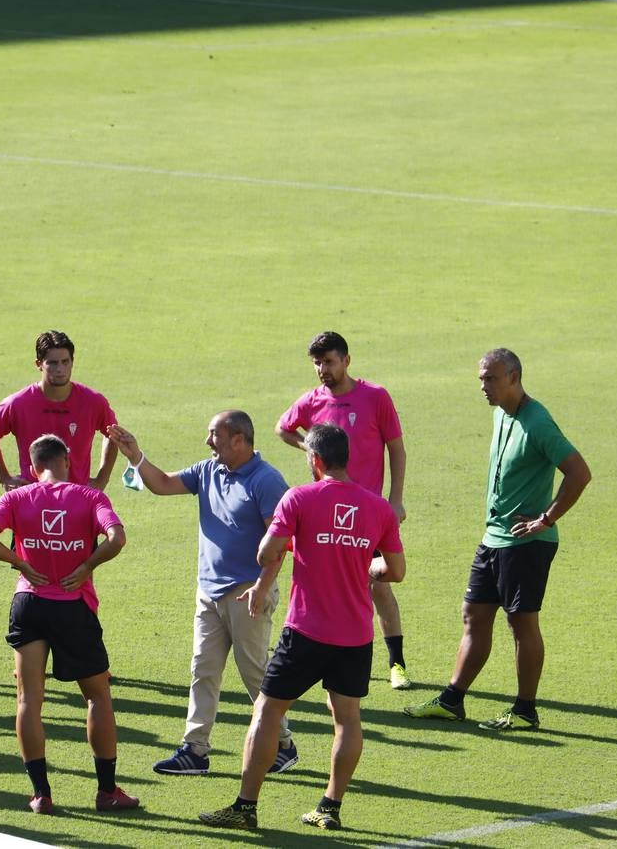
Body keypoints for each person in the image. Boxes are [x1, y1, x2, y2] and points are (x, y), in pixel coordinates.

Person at [199, 424, 404, 831]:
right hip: (355, 636)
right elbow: (394, 570)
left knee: (268, 710)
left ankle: (245, 808)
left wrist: (281, 547)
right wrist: (366, 564)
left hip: (306, 631)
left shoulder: (299, 498)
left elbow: (266, 553)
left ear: (315, 460)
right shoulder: (377, 507)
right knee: (347, 718)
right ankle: (330, 806)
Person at [403, 348, 590, 731]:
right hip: (494, 538)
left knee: (522, 624)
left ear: (514, 378)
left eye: (491, 378)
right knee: (474, 615)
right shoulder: (499, 414)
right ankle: (453, 700)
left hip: (525, 543)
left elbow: (578, 472)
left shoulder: (538, 422)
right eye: (481, 379)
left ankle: (525, 710)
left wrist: (546, 518)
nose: (483, 387)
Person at [105, 413, 299, 776]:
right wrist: (135, 456)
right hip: (209, 591)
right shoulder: (209, 470)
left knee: (254, 673)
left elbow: (282, 542)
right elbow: (162, 484)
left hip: (247, 592)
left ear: (240, 440)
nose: (208, 442)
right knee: (203, 668)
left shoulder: (267, 481)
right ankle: (195, 749)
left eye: (215, 436)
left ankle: (283, 744)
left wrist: (261, 586)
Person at [0, 434, 139, 815]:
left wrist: (20, 562)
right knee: (97, 696)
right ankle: (107, 792)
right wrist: (86, 566)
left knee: (29, 700)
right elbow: (117, 538)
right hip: (73, 607)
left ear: (33, 468)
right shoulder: (89, 497)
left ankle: (41, 795)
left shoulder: (17, 498)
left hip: (28, 602)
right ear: (68, 461)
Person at [276, 331, 412, 689]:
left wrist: (395, 499)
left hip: (369, 512)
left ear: (346, 361)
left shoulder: (375, 397)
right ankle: (336, 655)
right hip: (326, 507)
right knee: (327, 580)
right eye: (317, 363)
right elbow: (282, 428)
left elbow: (396, 450)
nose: (322, 369)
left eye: (329, 362)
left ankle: (396, 663)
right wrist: (309, 445)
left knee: (378, 584)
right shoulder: (312, 401)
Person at [0, 331, 118, 492]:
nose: (60, 369)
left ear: (72, 362)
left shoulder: (93, 402)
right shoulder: (18, 403)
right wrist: (4, 478)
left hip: (78, 498)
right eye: (52, 363)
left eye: (65, 362)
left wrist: (102, 479)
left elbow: (113, 434)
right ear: (39, 364)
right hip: (33, 498)